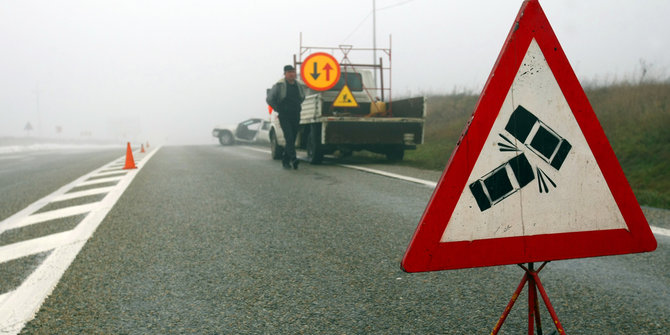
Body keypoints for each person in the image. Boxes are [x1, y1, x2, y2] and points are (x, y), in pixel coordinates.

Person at [266, 65, 306, 169]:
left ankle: (285, 160)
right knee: (289, 136)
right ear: (285, 74)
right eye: (289, 72)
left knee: (292, 139)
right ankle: (294, 158)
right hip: (284, 115)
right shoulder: (279, 85)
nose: (292, 74)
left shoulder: (299, 85)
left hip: (296, 114)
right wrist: (278, 108)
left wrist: (297, 106)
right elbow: (269, 98)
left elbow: (302, 97)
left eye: (293, 72)